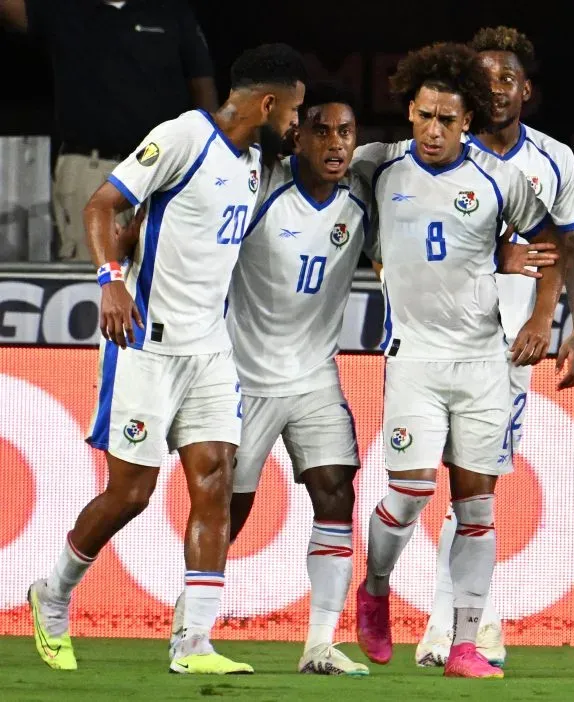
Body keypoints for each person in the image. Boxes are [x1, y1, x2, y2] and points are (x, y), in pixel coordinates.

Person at [26, 43, 306, 675]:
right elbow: (102, 204)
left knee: (215, 482)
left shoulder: (256, 163)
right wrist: (110, 278)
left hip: (209, 348)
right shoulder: (183, 136)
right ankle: (53, 592)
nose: (296, 124)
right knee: (131, 493)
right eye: (294, 111)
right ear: (268, 103)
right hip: (145, 344)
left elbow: (165, 226)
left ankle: (194, 643)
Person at [349, 41, 566, 680]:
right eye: (423, 117)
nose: (434, 130)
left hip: (482, 364)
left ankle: (465, 643)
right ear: (409, 112)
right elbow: (325, 188)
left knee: (477, 508)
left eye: (447, 119)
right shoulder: (377, 168)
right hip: (414, 358)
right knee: (410, 493)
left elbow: (550, 241)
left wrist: (538, 317)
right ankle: (377, 585)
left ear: (467, 120)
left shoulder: (501, 181)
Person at [158, 81, 372, 677]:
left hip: (314, 378)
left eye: (346, 132)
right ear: (297, 137)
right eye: (322, 130)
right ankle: (191, 629)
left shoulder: (362, 199)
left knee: (337, 491)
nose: (335, 143)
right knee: (232, 507)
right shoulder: (260, 190)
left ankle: (321, 644)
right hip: (244, 376)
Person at [415, 25, 574, 669]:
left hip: (509, 352)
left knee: (476, 487)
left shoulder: (552, 162)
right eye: (484, 76)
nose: (496, 87)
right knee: (421, 488)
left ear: (528, 90)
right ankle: (450, 620)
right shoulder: (433, 154)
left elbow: (572, 250)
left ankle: (459, 625)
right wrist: (500, 252)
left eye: (507, 77)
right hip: (430, 344)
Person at [0, 0, 218, 261]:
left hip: (162, 171)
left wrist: (213, 156)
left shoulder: (171, 11)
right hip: (89, 170)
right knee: (94, 274)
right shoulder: (62, 9)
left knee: (163, 273)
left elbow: (202, 86)